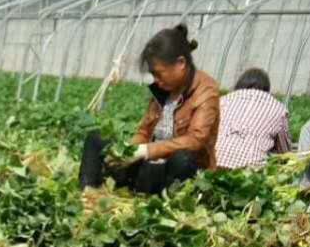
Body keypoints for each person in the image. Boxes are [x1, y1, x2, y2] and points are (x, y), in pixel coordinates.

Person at [80, 23, 220, 195]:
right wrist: (127, 153)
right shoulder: (161, 90)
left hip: (178, 174)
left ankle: (169, 202)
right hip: (151, 168)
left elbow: (196, 140)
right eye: (153, 75)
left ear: (181, 63)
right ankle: (88, 193)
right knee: (96, 139)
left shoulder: (206, 90)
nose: (156, 80)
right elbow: (144, 132)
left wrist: (147, 151)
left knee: (183, 159)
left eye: (159, 73)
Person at [216, 68, 291, 169]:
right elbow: (284, 152)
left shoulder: (223, 101)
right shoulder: (279, 109)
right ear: (266, 88)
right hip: (250, 170)